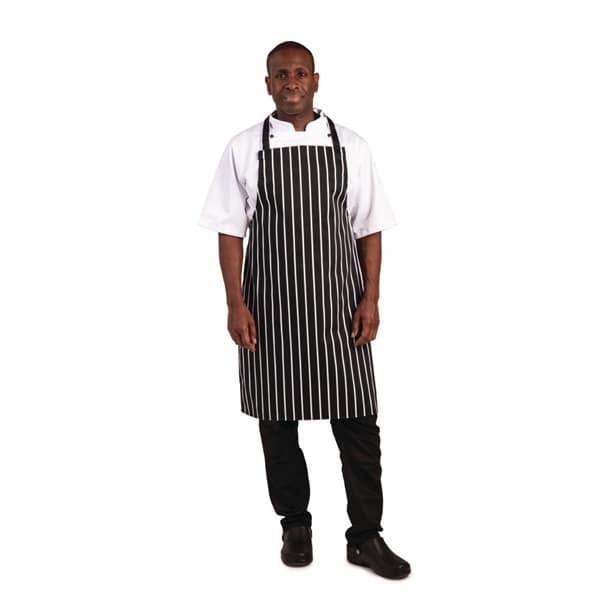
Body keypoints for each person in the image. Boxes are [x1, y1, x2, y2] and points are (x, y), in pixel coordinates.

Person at [198, 40, 411, 580]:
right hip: (270, 310)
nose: (290, 82)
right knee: (277, 425)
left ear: (316, 80)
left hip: (340, 310)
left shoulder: (352, 145)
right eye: (280, 75)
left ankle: (366, 536)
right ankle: (295, 525)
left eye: (299, 73)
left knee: (359, 427)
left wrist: (371, 298)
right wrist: (235, 304)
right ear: (267, 84)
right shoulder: (244, 148)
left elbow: (369, 226)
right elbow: (229, 230)